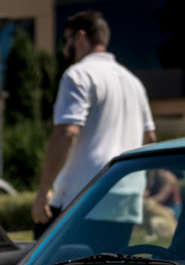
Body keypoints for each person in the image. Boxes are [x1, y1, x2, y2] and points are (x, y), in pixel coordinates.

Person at [31, 10, 157, 240]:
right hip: (125, 200)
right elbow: (149, 139)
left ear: (80, 36)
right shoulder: (133, 82)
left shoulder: (78, 75)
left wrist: (43, 192)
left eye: (65, 40)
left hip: (83, 199)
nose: (63, 48)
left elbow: (67, 132)